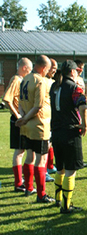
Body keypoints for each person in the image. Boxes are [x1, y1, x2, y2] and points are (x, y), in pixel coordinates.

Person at [50, 60, 87, 213]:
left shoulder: (54, 86)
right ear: (73, 72)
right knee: (71, 170)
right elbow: (83, 107)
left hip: (56, 132)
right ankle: (66, 206)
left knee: (60, 168)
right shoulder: (74, 87)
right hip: (70, 132)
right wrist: (85, 125)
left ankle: (58, 199)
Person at [16, 55, 55, 203]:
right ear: (44, 68)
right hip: (39, 125)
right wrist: (25, 118)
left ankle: (28, 188)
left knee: (29, 157)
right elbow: (38, 105)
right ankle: (41, 194)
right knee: (41, 159)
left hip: (26, 126)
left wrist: (22, 116)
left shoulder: (25, 78)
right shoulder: (40, 81)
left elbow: (19, 102)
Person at [3, 57, 33, 192]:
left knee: (23, 150)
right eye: (30, 69)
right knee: (19, 151)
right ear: (24, 68)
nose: (31, 72)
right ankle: (18, 183)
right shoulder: (16, 80)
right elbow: (6, 99)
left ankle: (21, 180)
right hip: (18, 121)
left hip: (22, 120)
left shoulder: (21, 80)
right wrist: (18, 116)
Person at [44, 58, 58, 182]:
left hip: (51, 117)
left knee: (50, 142)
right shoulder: (43, 82)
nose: (54, 70)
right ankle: (44, 172)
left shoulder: (50, 81)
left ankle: (49, 166)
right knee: (45, 145)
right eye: (53, 67)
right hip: (44, 118)